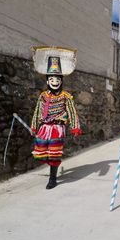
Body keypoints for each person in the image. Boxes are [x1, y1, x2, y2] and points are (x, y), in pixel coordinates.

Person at [30, 48, 82, 189]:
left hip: (57, 128)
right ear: (48, 81)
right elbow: (37, 111)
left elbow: (72, 112)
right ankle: (53, 166)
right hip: (44, 128)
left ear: (61, 81)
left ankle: (52, 178)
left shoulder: (66, 96)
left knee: (54, 153)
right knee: (41, 153)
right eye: (52, 79)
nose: (54, 81)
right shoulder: (43, 96)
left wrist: (75, 126)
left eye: (57, 79)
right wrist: (34, 125)